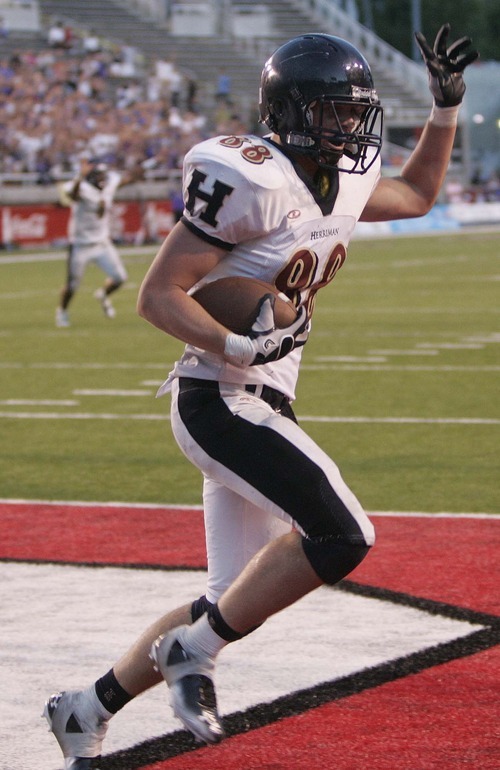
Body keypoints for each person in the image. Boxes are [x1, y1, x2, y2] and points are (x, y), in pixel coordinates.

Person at [44, 23, 478, 764]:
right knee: (342, 534)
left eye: (356, 111)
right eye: (336, 111)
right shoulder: (254, 177)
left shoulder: (340, 174)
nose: (350, 125)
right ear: (293, 110)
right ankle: (194, 654)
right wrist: (237, 344)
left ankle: (86, 708)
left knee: (227, 598)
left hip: (264, 398)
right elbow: (159, 294)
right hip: (216, 395)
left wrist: (443, 110)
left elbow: (415, 192)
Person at [55, 158, 142, 328]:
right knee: (72, 285)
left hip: (102, 243)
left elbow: (127, 179)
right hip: (80, 245)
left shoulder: (108, 185)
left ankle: (102, 294)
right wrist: (80, 176)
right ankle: (62, 311)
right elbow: (72, 195)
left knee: (119, 278)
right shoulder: (82, 187)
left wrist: (139, 169)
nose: (104, 180)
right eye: (100, 177)